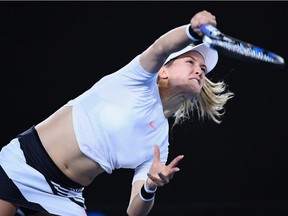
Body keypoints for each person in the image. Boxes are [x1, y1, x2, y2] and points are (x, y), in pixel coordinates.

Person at [0, 10, 234, 216]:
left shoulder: (159, 141)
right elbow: (161, 47)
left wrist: (150, 186)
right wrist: (191, 31)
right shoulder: (136, 80)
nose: (199, 71)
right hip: (23, 164)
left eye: (203, 69)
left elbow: (134, 211)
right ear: (163, 71)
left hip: (65, 195)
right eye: (191, 62)